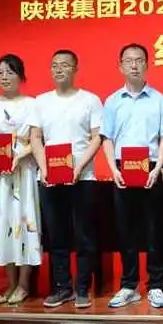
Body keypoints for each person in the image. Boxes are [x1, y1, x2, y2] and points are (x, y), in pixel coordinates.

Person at [103, 43, 163, 309]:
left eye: (139, 60)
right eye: (128, 60)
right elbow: (107, 138)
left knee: (155, 230)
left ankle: (156, 285)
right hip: (122, 168)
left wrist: (158, 168)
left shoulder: (160, 99)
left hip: (151, 167)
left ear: (147, 64)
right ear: (120, 66)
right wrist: (113, 170)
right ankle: (129, 285)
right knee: (126, 230)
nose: (134, 65)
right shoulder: (112, 101)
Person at [31, 49, 103, 309]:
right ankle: (62, 287)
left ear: (75, 69)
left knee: (84, 236)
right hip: (50, 177)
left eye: (64, 65)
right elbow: (35, 137)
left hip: (83, 177)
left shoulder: (90, 100)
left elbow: (97, 136)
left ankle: (83, 288)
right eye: (54, 65)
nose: (59, 69)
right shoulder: (40, 101)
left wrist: (79, 166)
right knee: (56, 236)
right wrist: (44, 167)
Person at [0, 54, 41, 306]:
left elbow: (37, 139)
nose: (5, 77)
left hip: (22, 171)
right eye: (0, 72)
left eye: (10, 72)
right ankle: (10, 282)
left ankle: (24, 283)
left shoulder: (32, 104)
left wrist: (19, 155)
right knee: (2, 225)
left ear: (21, 76)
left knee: (23, 223)